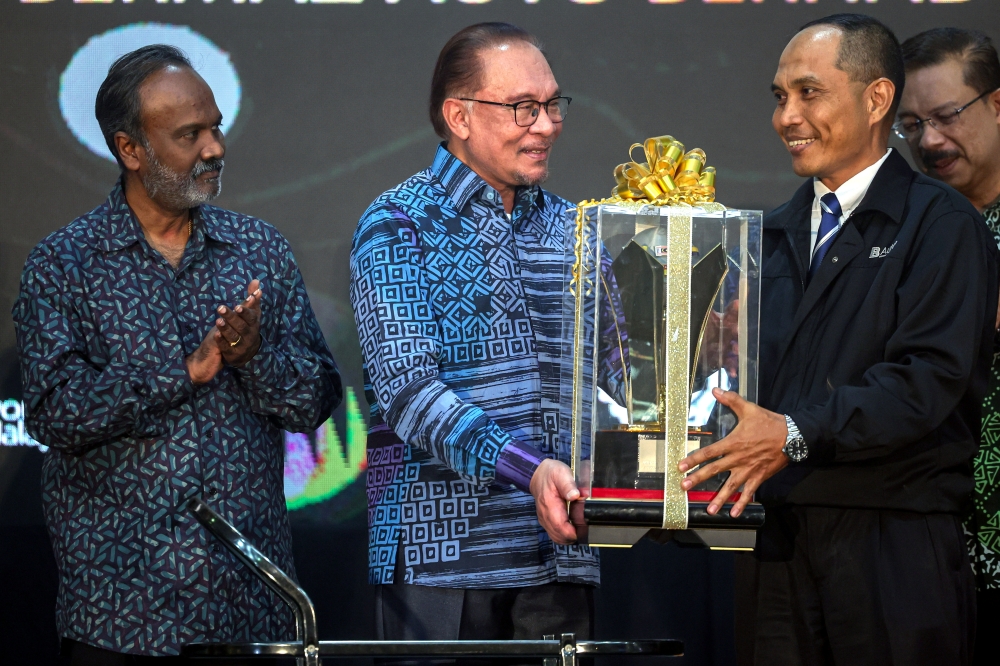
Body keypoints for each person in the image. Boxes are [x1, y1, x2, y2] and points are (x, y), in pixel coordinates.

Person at [676, 14, 998, 666]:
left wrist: (793, 431)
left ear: (876, 99)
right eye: (778, 97)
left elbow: (923, 383)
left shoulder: (942, 226)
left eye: (808, 92)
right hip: (775, 546)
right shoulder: (762, 238)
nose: (786, 117)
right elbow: (733, 397)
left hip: (893, 548)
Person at [13, 45, 342, 663]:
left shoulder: (259, 251)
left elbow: (316, 401)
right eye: (189, 134)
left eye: (215, 127)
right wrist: (183, 373)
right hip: (121, 617)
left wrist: (254, 357)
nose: (214, 147)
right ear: (130, 149)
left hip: (250, 610)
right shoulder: (64, 265)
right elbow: (54, 413)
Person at [350, 23, 598, 643]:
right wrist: (530, 469)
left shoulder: (579, 230)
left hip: (562, 555)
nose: (544, 124)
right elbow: (408, 394)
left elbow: (616, 382)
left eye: (551, 105)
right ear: (458, 115)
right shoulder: (397, 222)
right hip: (439, 562)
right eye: (523, 108)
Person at [897, 28, 1000, 666]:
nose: (931, 141)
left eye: (947, 116)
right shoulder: (915, 226)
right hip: (937, 536)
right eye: (911, 124)